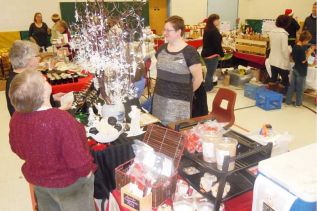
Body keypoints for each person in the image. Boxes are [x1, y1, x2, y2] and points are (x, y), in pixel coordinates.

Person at [9, 70, 96, 211]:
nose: (46, 79)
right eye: (43, 80)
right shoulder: (60, 119)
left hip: (39, 180)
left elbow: (16, 148)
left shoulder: (16, 119)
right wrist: (87, 172)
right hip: (70, 185)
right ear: (44, 92)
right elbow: (77, 157)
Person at [152, 16, 203, 125]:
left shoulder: (190, 52)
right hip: (159, 99)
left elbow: (198, 79)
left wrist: (185, 93)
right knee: (159, 129)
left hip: (179, 104)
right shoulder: (162, 49)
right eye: (164, 29)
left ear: (179, 32)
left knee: (175, 133)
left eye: (168, 30)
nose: (164, 33)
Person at [5, 40, 70, 116]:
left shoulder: (20, 76)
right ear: (28, 60)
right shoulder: (24, 82)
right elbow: (32, 117)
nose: (39, 58)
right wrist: (60, 110)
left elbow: (34, 102)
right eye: (37, 56)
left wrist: (53, 97)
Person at [286, 31, 315, 107]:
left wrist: (305, 52)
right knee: (300, 88)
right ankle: (298, 103)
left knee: (291, 86)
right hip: (301, 71)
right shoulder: (301, 49)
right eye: (308, 41)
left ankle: (288, 101)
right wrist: (309, 52)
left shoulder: (295, 46)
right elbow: (303, 61)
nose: (308, 42)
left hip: (295, 68)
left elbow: (291, 56)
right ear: (305, 40)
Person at [201, 14, 224, 92]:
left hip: (206, 54)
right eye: (217, 20)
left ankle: (208, 86)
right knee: (210, 73)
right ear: (213, 21)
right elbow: (217, 45)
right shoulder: (214, 31)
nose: (219, 21)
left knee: (209, 72)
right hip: (211, 55)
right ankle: (208, 88)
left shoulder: (207, 29)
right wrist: (222, 54)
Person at [268, 15, 291, 92]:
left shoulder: (271, 32)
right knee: (285, 81)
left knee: (273, 78)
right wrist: (287, 60)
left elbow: (271, 46)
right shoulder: (284, 34)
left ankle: (271, 95)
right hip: (281, 61)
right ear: (286, 24)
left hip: (272, 59)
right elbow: (284, 50)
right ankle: (282, 97)